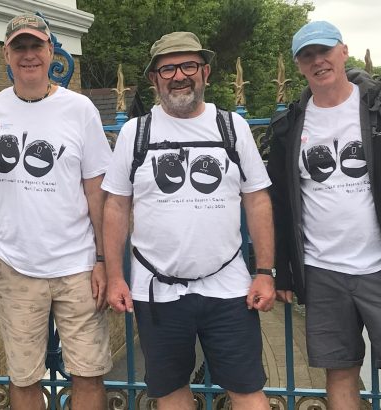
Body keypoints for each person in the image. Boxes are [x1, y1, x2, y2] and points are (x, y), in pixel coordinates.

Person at [266, 21, 381, 409]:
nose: (318, 61)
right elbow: (280, 203)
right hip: (322, 270)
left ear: (343, 51)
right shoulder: (289, 125)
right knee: (340, 373)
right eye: (307, 56)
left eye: (324, 51)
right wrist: (283, 269)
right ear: (299, 65)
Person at [102, 31, 276, 409]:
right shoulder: (135, 132)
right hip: (157, 290)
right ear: (154, 79)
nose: (178, 75)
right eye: (167, 68)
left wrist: (264, 270)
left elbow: (257, 200)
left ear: (205, 72)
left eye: (188, 65)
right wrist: (116, 276)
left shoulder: (232, 127)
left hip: (229, 288)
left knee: (247, 392)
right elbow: (115, 206)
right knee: (170, 393)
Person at [0, 12, 111, 410]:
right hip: (14, 264)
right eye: (19, 47)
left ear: (50, 51)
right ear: (6, 54)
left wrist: (104, 259)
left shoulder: (80, 109)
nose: (28, 55)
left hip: (77, 265)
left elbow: (97, 191)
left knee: (89, 373)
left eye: (36, 46)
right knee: (24, 377)